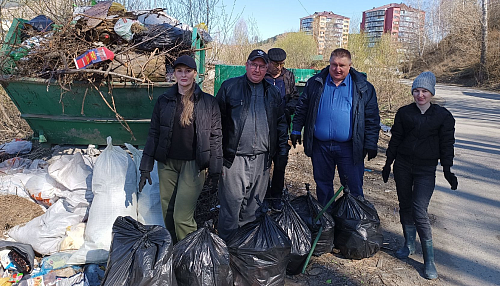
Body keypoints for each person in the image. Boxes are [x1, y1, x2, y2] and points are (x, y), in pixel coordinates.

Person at [381, 71, 458, 280]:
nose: (420, 95)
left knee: (419, 209)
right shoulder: (404, 113)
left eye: (424, 91)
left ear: (431, 93)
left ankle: (429, 260)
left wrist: (447, 169)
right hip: (403, 166)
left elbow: (446, 145)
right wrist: (388, 163)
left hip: (426, 170)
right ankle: (408, 244)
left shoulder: (443, 116)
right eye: (416, 91)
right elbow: (395, 138)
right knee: (405, 204)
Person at [139, 55, 222, 243]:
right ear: (174, 73)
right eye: (179, 71)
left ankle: (189, 256)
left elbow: (216, 137)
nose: (183, 75)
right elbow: (154, 133)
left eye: (188, 71)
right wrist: (145, 166)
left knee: (182, 217)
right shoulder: (164, 101)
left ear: (195, 73)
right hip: (167, 164)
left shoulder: (208, 103)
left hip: (193, 166)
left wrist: (215, 171)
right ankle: (175, 252)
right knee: (167, 213)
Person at [290, 48, 380, 207]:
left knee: (354, 188)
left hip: (350, 147)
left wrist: (371, 143)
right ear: (329, 64)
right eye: (334, 64)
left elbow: (372, 118)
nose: (337, 69)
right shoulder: (316, 83)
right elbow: (302, 108)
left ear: (350, 66)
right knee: (323, 186)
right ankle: (327, 224)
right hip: (321, 146)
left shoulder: (363, 87)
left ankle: (353, 226)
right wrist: (296, 129)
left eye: (342, 65)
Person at [216, 49, 289, 241]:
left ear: (267, 68)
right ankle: (227, 250)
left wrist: (281, 154)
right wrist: (217, 157)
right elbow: (216, 125)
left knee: (253, 209)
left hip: (262, 160)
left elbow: (281, 124)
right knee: (231, 209)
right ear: (247, 65)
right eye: (253, 65)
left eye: (262, 66)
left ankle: (245, 250)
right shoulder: (230, 87)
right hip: (234, 159)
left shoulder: (272, 93)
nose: (257, 69)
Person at [264, 47, 299, 210]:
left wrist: (287, 110)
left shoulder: (288, 76)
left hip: (282, 126)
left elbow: (294, 97)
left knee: (280, 163)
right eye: (275, 64)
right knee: (263, 164)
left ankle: (276, 197)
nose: (279, 67)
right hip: (263, 127)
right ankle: (263, 196)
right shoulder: (262, 76)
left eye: (281, 64)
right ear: (268, 62)